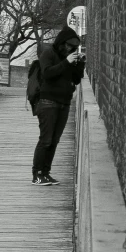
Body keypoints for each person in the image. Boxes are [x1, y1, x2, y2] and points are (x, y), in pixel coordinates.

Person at [32, 25, 85, 186]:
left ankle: (46, 173)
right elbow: (48, 74)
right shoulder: (48, 53)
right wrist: (66, 63)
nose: (70, 49)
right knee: (46, 140)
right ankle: (37, 174)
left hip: (64, 103)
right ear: (62, 43)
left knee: (55, 140)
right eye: (68, 45)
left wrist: (79, 64)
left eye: (73, 47)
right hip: (48, 102)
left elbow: (76, 80)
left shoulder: (70, 57)